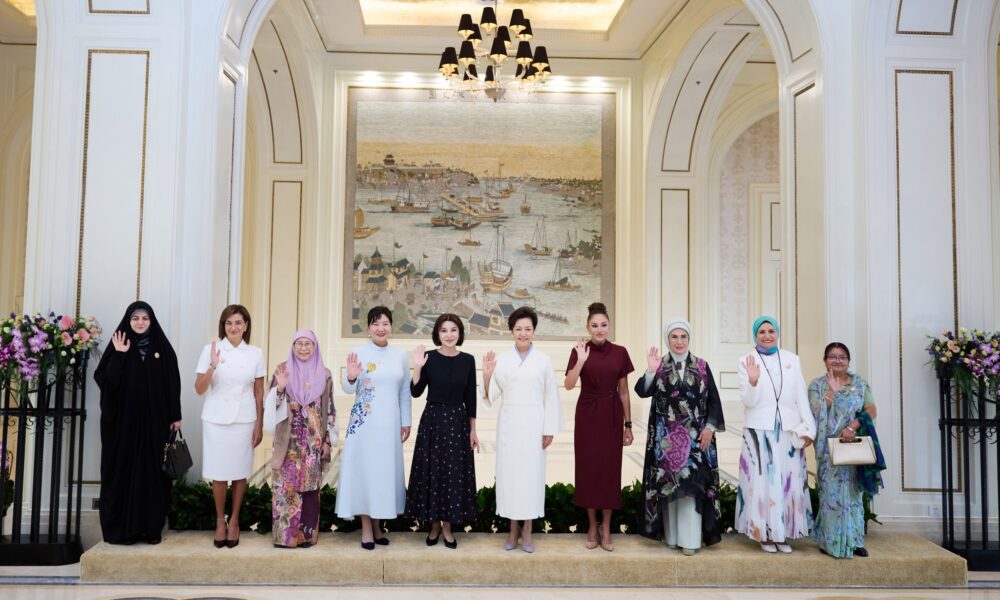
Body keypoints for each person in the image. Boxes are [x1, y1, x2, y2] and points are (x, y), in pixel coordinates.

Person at [634, 319, 724, 555]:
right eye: (674, 337)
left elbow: (714, 401)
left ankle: (691, 541)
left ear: (689, 339)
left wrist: (709, 428)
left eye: (683, 337)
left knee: (692, 488)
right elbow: (642, 391)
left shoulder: (702, 366)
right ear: (668, 340)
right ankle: (672, 537)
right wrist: (650, 371)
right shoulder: (660, 365)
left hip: (696, 440)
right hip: (666, 442)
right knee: (669, 488)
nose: (679, 341)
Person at [94, 301, 181, 545]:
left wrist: (175, 415)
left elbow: (172, 383)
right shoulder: (119, 344)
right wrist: (120, 355)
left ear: (151, 321)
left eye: (145, 318)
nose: (140, 322)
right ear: (128, 321)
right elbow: (106, 382)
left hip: (156, 424)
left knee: (153, 475)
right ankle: (124, 530)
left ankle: (151, 529)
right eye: (135, 318)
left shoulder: (162, 348)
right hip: (124, 426)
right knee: (123, 472)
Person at [482, 306, 561, 553]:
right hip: (509, 425)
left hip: (534, 425)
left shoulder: (544, 360)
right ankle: (512, 528)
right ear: (511, 331)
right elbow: (490, 396)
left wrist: (549, 429)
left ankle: (527, 529)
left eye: (528, 329)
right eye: (518, 329)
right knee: (510, 476)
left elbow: (551, 396)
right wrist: (487, 375)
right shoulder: (502, 359)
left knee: (531, 477)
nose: (523, 333)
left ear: (534, 331)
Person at [736, 315, 816, 553]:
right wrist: (753, 381)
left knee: (786, 481)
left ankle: (782, 535)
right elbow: (748, 401)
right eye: (762, 332)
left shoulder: (792, 359)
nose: (767, 335)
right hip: (759, 431)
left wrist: (809, 428)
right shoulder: (745, 361)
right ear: (755, 335)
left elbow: (800, 395)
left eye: (771, 331)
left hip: (788, 430)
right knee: (763, 482)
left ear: (777, 333)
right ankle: (765, 534)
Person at [336, 306, 412, 550]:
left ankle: (379, 525)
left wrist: (406, 421)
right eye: (376, 323)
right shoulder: (358, 353)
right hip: (364, 424)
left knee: (383, 473)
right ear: (368, 327)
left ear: (391, 327)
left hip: (390, 424)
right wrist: (351, 376)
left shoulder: (400, 354)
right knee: (365, 472)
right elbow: (347, 388)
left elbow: (405, 391)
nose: (381, 328)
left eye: (385, 323)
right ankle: (367, 527)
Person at [564, 302, 634, 551]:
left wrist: (628, 425)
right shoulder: (579, 350)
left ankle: (606, 527)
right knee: (588, 469)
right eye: (594, 325)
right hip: (587, 415)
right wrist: (581, 361)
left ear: (609, 326)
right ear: (587, 327)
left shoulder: (620, 352)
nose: (599, 329)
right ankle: (592, 525)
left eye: (603, 325)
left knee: (609, 470)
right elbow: (569, 385)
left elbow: (623, 391)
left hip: (612, 415)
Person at [195, 304, 265, 548]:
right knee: (218, 473)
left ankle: (234, 520)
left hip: (244, 419)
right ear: (223, 326)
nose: (233, 327)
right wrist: (213, 366)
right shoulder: (210, 350)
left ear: (246, 326)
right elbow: (199, 388)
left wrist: (259, 424)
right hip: (215, 419)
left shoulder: (255, 353)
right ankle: (219, 521)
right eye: (228, 323)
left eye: (238, 323)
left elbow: (259, 392)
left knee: (239, 472)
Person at [406, 314, 479, 549]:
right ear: (437, 333)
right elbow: (416, 391)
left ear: (460, 333)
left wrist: (473, 430)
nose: (449, 335)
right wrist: (418, 367)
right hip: (433, 421)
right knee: (432, 472)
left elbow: (471, 399)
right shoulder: (429, 357)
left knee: (452, 474)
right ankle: (434, 525)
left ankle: (447, 526)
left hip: (458, 422)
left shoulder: (468, 360)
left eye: (453, 330)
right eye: (444, 330)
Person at [263, 330, 335, 549]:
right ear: (293, 347)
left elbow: (329, 410)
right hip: (289, 440)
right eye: (299, 344)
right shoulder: (282, 369)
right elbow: (270, 406)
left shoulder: (325, 374)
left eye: (308, 344)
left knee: (310, 488)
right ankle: (285, 537)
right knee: (285, 486)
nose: (303, 348)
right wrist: (280, 388)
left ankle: (307, 536)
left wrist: (327, 441)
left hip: (313, 441)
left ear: (315, 347)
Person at [808, 342, 879, 558]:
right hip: (828, 449)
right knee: (830, 494)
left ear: (848, 361)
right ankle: (829, 541)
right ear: (825, 360)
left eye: (842, 357)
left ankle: (855, 541)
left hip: (853, 445)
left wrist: (852, 428)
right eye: (832, 356)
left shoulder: (860, 384)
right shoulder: (817, 385)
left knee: (855, 494)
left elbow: (871, 410)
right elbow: (815, 412)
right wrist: (832, 392)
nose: (837, 360)